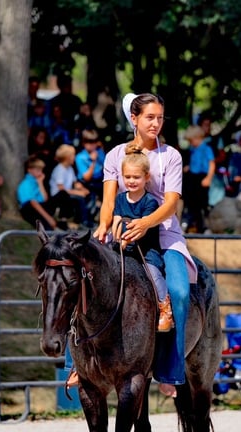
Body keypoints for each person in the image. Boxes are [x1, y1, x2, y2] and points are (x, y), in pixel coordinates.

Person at [91, 92, 195, 398]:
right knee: (83, 285)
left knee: (179, 292)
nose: (156, 123)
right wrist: (103, 224)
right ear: (134, 119)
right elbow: (109, 200)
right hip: (122, 234)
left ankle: (170, 370)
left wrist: (145, 224)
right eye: (150, 117)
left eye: (160, 117)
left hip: (163, 236)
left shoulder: (171, 156)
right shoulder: (114, 156)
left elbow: (171, 204)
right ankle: (77, 364)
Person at [111, 143, 175, 332]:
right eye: (127, 177)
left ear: (146, 178)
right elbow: (116, 220)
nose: (131, 181)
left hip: (145, 249)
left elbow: (141, 228)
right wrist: (116, 238)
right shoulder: (120, 199)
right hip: (122, 247)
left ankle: (165, 307)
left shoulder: (150, 202)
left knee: (153, 273)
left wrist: (126, 239)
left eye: (136, 177)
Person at [17, 156, 69, 231]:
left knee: (62, 194)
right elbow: (33, 203)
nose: (41, 173)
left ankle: (62, 221)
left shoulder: (37, 182)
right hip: (31, 210)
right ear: (29, 170)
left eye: (41, 170)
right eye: (38, 170)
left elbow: (45, 199)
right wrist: (49, 218)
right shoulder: (26, 184)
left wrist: (40, 183)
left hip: (41, 207)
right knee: (46, 226)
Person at [182, 125, 215, 233]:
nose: (191, 143)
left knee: (202, 203)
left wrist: (208, 178)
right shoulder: (192, 149)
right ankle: (190, 224)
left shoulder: (206, 148)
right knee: (191, 202)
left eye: (192, 140)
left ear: (198, 138)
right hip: (193, 177)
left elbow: (212, 164)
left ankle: (203, 226)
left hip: (203, 177)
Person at [50, 144, 93, 227]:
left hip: (68, 192)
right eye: (73, 155)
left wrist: (83, 189)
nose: (74, 157)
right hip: (59, 195)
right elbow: (61, 188)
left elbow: (75, 183)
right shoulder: (59, 169)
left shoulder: (70, 168)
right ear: (67, 157)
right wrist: (77, 193)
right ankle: (82, 221)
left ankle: (87, 219)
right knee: (78, 198)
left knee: (86, 196)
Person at [74, 129, 106, 208]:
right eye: (89, 142)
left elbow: (106, 166)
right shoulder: (80, 157)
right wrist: (93, 161)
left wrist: (101, 149)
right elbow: (87, 177)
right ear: (84, 143)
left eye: (94, 142)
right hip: (88, 183)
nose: (93, 145)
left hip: (100, 180)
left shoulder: (99, 151)